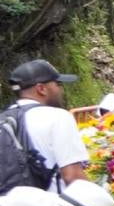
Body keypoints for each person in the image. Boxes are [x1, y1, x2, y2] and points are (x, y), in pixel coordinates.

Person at [4, 59, 89, 194]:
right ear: (41, 89)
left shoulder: (4, 120)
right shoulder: (58, 117)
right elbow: (73, 177)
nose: (60, 90)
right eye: (58, 84)